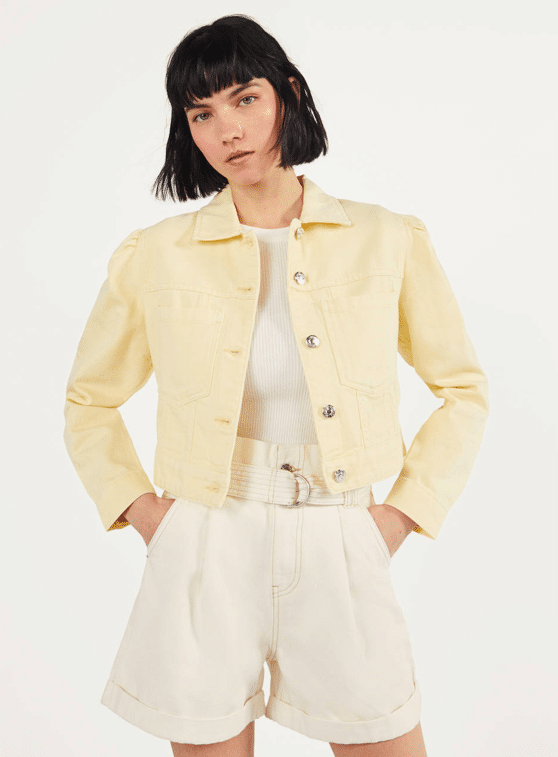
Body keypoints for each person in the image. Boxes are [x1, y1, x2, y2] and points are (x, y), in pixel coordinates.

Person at [63, 13, 489, 757]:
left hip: (339, 530)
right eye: (202, 113)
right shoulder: (156, 255)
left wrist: (398, 517)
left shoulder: (386, 239)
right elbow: (88, 399)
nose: (227, 130)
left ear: (288, 94)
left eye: (245, 98)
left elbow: (463, 390)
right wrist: (148, 515)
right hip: (205, 537)